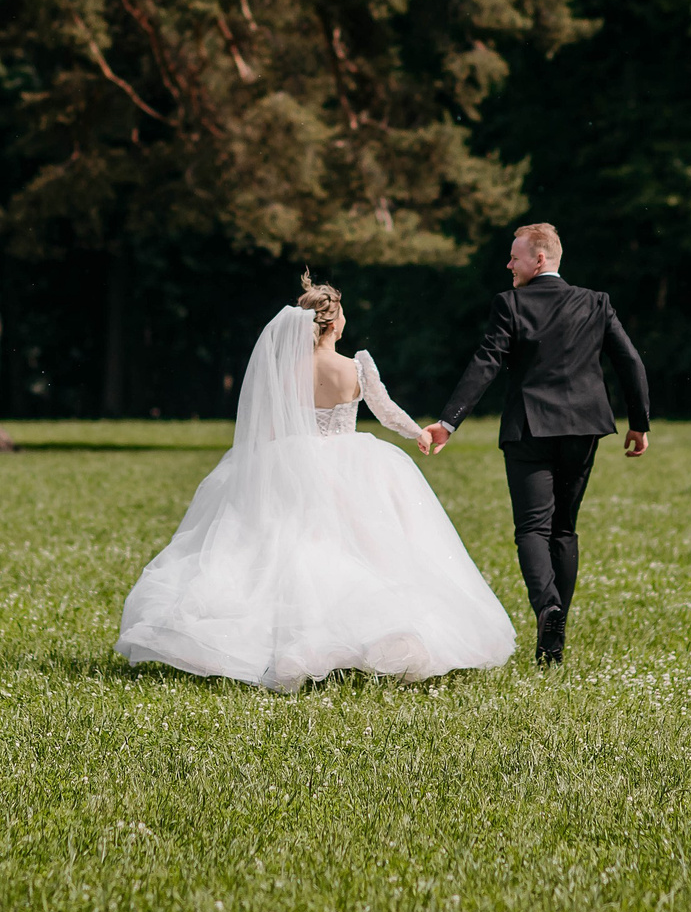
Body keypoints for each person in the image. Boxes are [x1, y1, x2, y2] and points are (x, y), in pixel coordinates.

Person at [115, 273, 517, 692]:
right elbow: (384, 410)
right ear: (334, 323)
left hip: (291, 463)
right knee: (367, 551)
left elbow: (267, 425)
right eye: (341, 313)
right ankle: (365, 635)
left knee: (286, 551)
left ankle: (288, 640)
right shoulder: (356, 365)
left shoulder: (284, 371)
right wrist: (418, 431)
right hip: (352, 467)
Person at [421, 222, 651, 667]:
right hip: (584, 429)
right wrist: (638, 423)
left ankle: (547, 609)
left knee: (532, 529)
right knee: (563, 529)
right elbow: (630, 361)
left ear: (539, 259)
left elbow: (485, 363)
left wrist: (448, 422)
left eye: (515, 256)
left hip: (529, 429)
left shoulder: (510, 303)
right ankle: (553, 644)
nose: (508, 264)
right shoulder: (596, 303)